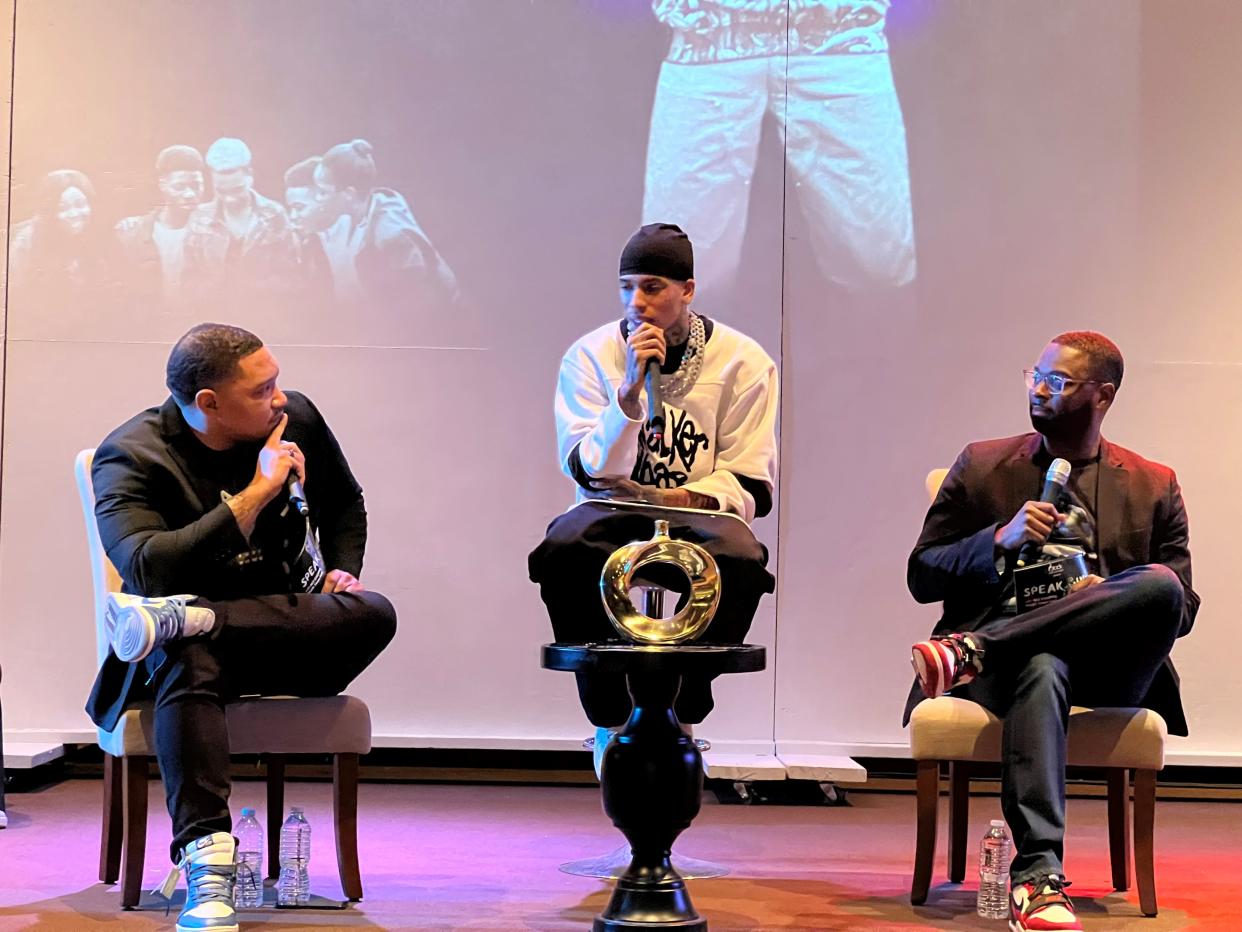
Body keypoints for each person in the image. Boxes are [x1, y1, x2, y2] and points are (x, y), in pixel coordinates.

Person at [87, 323, 396, 932]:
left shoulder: (296, 418)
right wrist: (254, 494)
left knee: (374, 611)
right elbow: (146, 565)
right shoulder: (131, 454)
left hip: (287, 631)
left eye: (276, 382)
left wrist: (342, 569)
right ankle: (209, 867)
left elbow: (343, 503)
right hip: (187, 661)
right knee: (188, 658)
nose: (279, 399)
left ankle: (191, 620)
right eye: (261, 391)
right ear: (208, 403)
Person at [905, 331, 1198, 932]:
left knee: (1162, 584)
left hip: (1109, 667)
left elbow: (1181, 609)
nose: (1039, 390)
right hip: (1012, 673)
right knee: (1042, 666)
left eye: (1058, 382)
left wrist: (1106, 597)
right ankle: (1037, 880)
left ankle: (971, 650)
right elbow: (921, 574)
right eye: (1034, 376)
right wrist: (997, 541)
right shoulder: (984, 465)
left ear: (1103, 395)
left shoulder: (1152, 483)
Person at [529, 223, 778, 760]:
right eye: (626, 287)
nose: (636, 302)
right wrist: (626, 397)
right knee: (563, 550)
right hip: (609, 509)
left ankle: (685, 709)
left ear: (687, 289)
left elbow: (752, 480)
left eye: (653, 287)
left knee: (741, 557)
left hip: (700, 515)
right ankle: (607, 716)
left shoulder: (743, 360)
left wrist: (678, 498)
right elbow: (586, 469)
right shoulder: (590, 355)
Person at [644, 0, 915, 296]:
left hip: (843, 38)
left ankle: (881, 337)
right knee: (678, 267)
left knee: (877, 260)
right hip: (705, 39)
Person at [312, 138, 458, 307]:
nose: (317, 198)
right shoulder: (347, 220)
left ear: (348, 194)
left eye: (323, 192)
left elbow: (418, 303)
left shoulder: (392, 235)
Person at [184, 138, 297, 299]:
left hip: (265, 316)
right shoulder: (199, 219)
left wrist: (252, 291)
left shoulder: (275, 215)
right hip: (213, 316)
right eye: (221, 192)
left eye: (237, 190)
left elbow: (291, 277)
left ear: (250, 175)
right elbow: (188, 280)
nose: (230, 199)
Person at [114, 145, 207, 303]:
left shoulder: (215, 231)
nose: (189, 194)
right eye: (179, 187)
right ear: (162, 185)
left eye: (196, 186)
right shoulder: (133, 232)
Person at [9, 169, 110, 309]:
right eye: (63, 208)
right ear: (50, 212)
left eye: (80, 205)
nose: (74, 214)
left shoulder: (97, 236)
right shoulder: (27, 243)